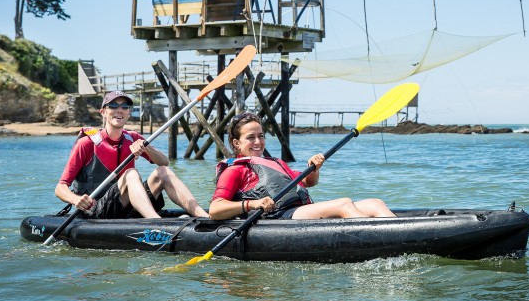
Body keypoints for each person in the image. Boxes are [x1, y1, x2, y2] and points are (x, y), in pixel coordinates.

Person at [208, 112, 396, 220]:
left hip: (298, 212)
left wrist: (314, 167)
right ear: (236, 144)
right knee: (344, 203)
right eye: (250, 137)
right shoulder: (235, 170)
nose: (258, 141)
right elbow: (215, 210)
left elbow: (307, 182)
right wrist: (253, 204)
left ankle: (401, 233)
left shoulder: (274, 163)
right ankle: (386, 239)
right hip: (279, 218)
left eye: (261, 136)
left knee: (375, 203)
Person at [55, 90, 208, 219]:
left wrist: (146, 148)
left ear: (129, 113)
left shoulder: (133, 138)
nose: (119, 110)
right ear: (103, 112)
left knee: (163, 172)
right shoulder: (87, 144)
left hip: (125, 205)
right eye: (113, 106)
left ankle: (203, 216)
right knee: (131, 173)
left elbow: (164, 162)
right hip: (97, 209)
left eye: (125, 107)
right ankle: (155, 221)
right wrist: (75, 199)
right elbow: (60, 188)